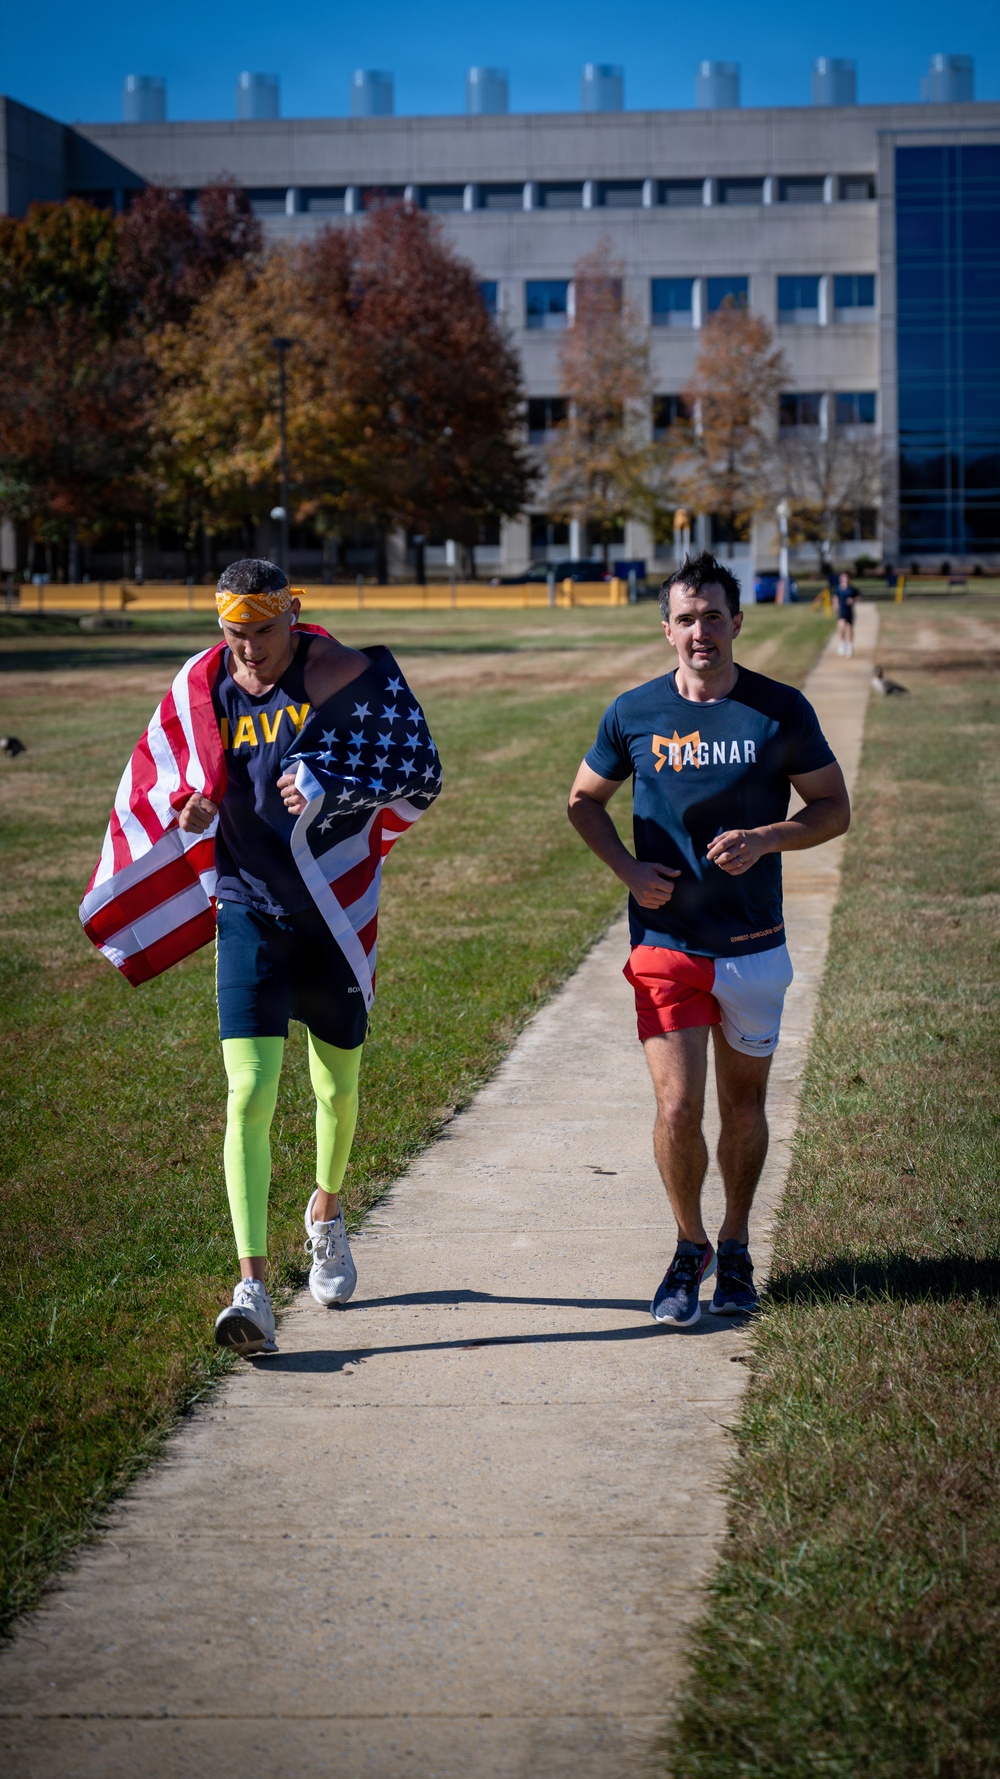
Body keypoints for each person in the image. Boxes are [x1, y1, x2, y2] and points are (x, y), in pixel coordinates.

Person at [81, 559, 440, 1356]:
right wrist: (193, 803)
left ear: (295, 616)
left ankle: (326, 1210)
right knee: (249, 1089)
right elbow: (177, 769)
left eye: (264, 634)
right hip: (247, 906)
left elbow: (419, 768)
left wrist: (328, 783)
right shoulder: (204, 684)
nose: (249, 652)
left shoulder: (341, 672)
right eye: (235, 635)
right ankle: (250, 1284)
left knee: (335, 1083)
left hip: (334, 912)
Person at [567, 552, 849, 1326]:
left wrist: (765, 836)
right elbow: (583, 801)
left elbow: (832, 807)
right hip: (666, 942)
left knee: (744, 1105)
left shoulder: (778, 709)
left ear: (736, 623)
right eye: (686, 618)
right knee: (679, 1107)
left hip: (754, 943)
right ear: (667, 629)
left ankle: (737, 1245)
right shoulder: (633, 712)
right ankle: (689, 1244)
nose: (701, 631)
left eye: (713, 616)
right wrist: (627, 867)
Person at [835, 571, 858, 656]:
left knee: (850, 628)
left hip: (849, 611)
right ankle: (842, 643)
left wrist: (853, 600)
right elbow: (835, 596)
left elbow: (858, 597)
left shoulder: (852, 589)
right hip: (842, 610)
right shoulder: (838, 589)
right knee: (841, 626)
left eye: (846, 578)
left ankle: (850, 646)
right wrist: (836, 604)